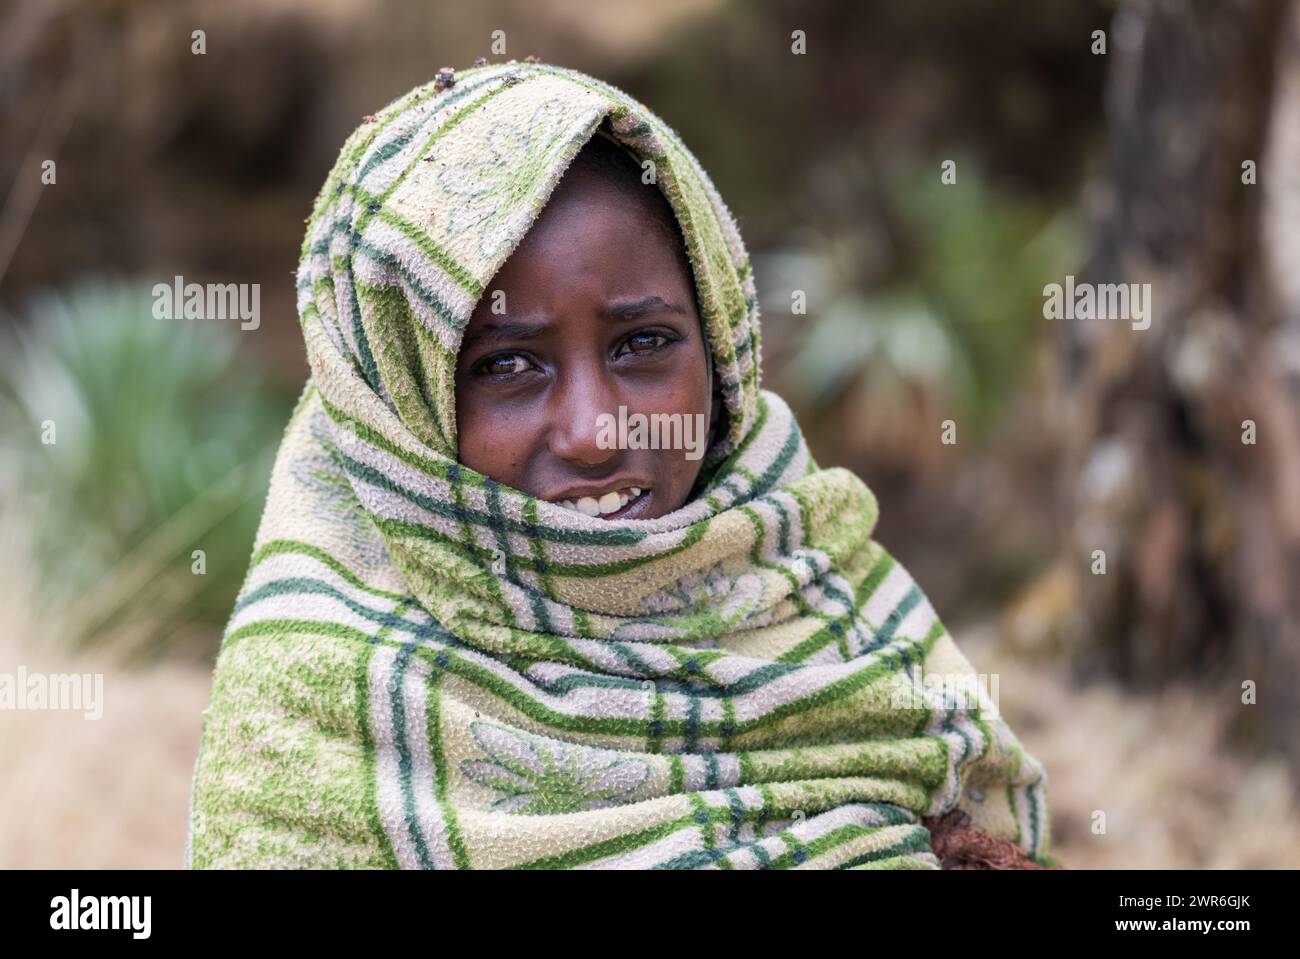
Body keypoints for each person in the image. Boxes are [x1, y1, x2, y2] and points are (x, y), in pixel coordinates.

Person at [186, 60, 1054, 870]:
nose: (595, 432)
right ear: (400, 396)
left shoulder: (822, 582)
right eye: (508, 365)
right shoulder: (310, 720)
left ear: (717, 353)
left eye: (644, 344)